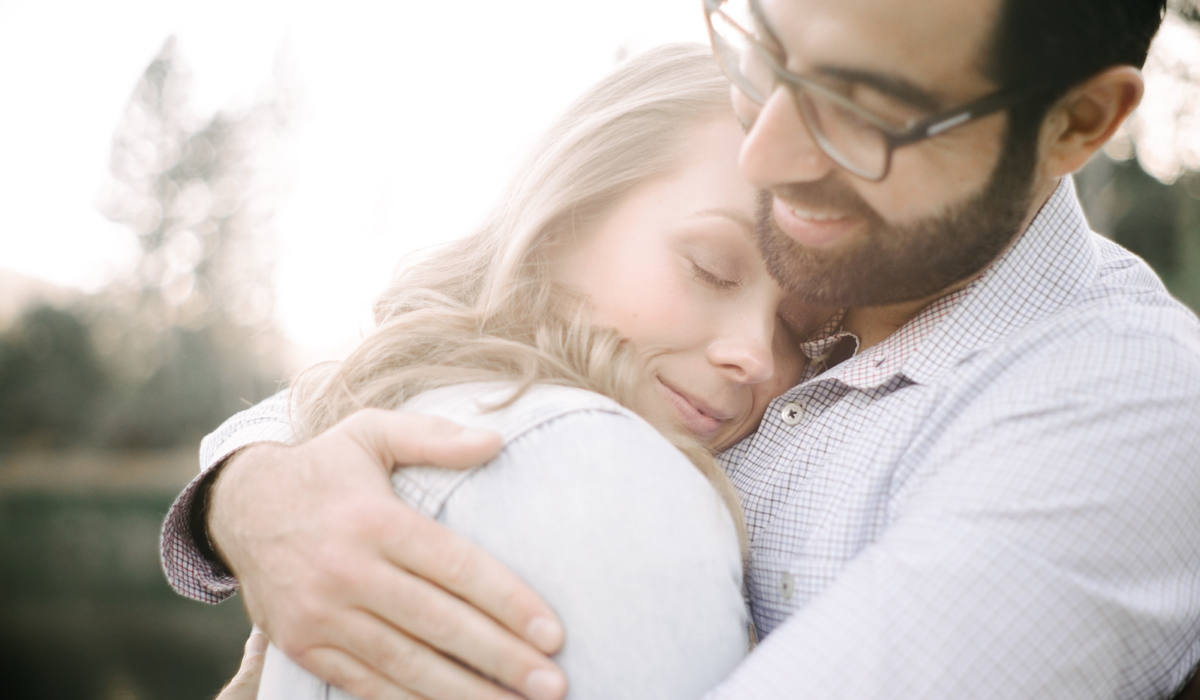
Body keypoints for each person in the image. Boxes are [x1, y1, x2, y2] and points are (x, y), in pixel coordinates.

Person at [163, 1, 1200, 698]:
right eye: (765, 52)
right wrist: (250, 493)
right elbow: (458, 366)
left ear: (1078, 123)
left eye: (863, 112)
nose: (768, 152)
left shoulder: (1120, 403)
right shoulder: (827, 253)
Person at [173, 44, 810, 700]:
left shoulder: (418, 404)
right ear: (567, 217)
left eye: (800, 330)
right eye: (711, 266)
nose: (757, 354)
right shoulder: (582, 468)